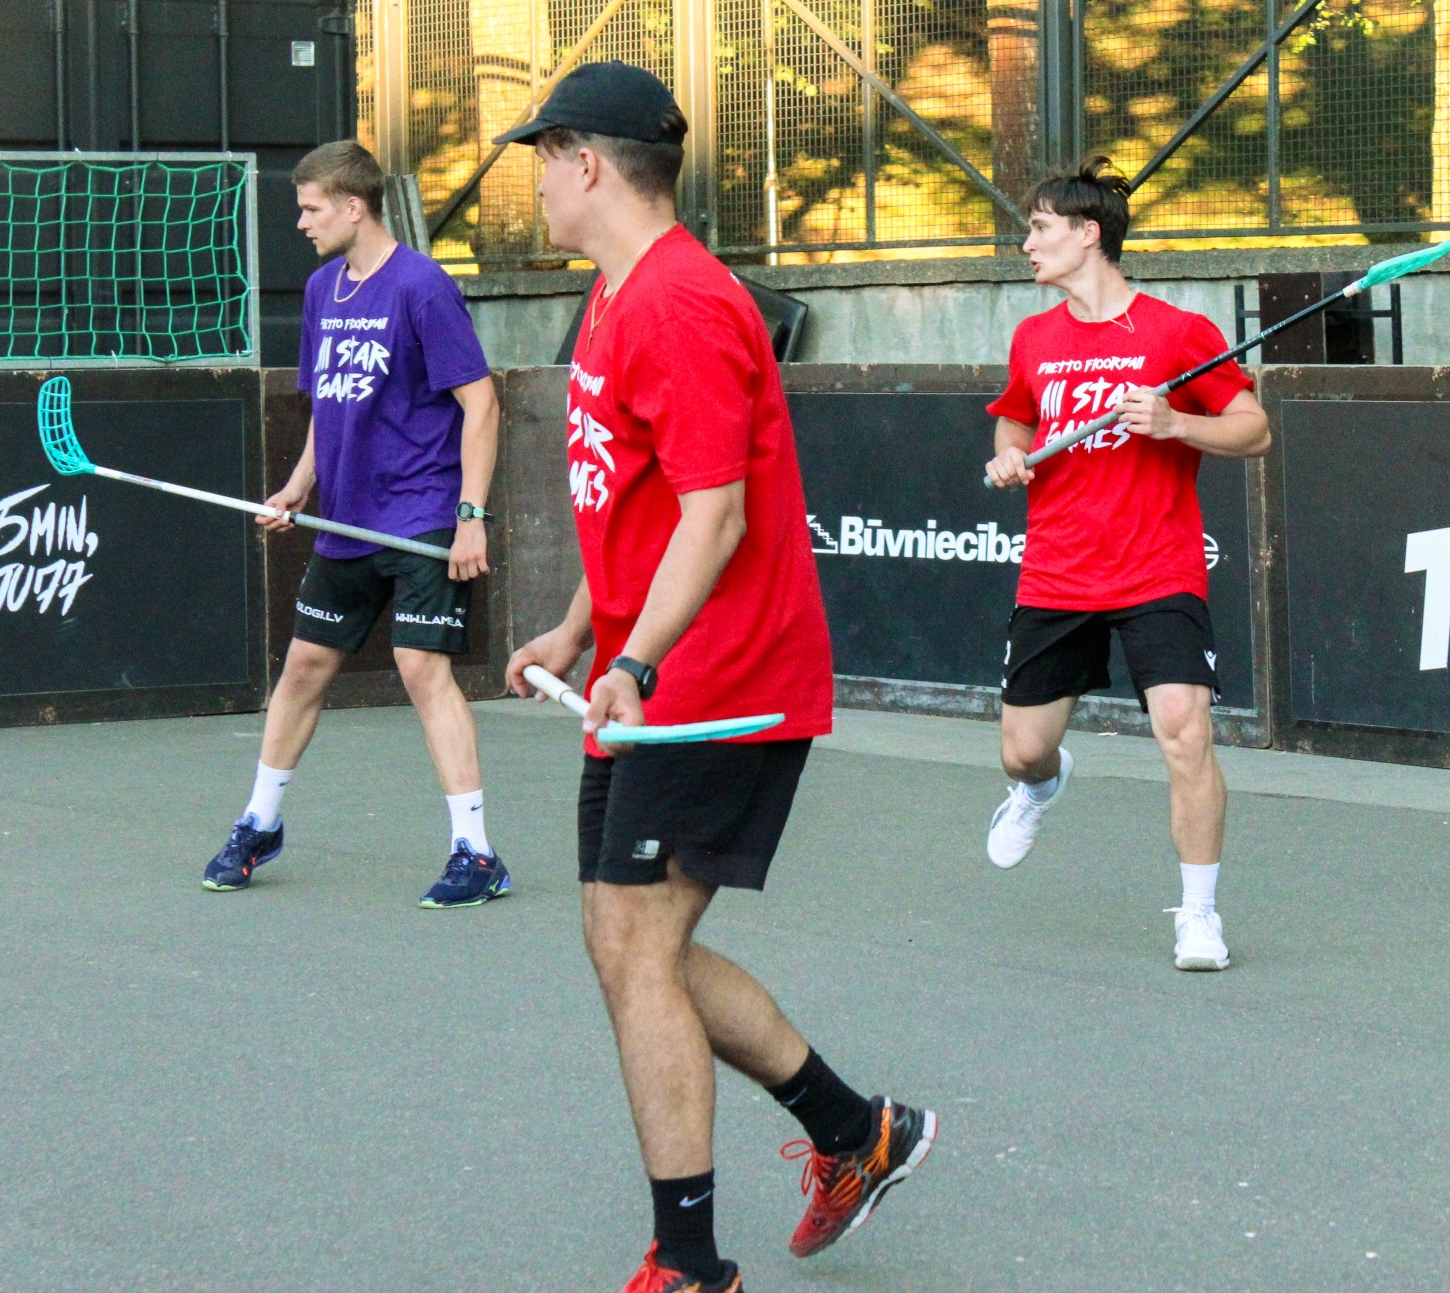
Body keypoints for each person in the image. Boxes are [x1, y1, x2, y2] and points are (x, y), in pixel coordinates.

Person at [500, 62, 936, 1293]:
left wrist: (636, 658)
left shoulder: (684, 305)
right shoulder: (612, 293)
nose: (538, 183)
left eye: (545, 158)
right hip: (653, 675)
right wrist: (580, 630)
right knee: (623, 940)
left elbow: (716, 517)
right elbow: (634, 502)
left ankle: (689, 1265)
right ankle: (855, 1132)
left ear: (589, 164)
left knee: (639, 947)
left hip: (719, 683)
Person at [200, 139, 509, 910]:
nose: (302, 223)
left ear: (353, 206)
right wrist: (297, 486)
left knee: (420, 667)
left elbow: (481, 404)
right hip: (348, 519)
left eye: (311, 209)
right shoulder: (320, 291)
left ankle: (475, 852)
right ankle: (259, 823)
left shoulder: (423, 287)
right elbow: (328, 403)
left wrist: (471, 517)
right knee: (304, 666)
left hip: (423, 512)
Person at [983, 155, 1272, 972]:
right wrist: (1012, 455)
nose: (1028, 244)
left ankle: (1200, 917)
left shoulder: (1179, 333)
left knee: (1185, 734)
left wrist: (1177, 424)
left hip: (1157, 568)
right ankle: (1040, 787)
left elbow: (1253, 429)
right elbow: (1015, 421)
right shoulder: (1034, 339)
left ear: (1088, 234)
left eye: (1040, 228)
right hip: (1058, 570)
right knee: (1022, 750)